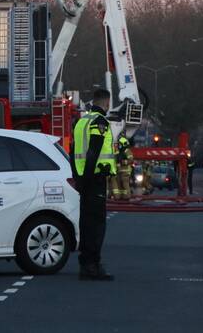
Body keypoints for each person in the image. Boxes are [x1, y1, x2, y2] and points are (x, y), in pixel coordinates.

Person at [71, 89, 116, 281]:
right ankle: (93, 266)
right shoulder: (99, 121)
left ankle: (85, 264)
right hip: (95, 180)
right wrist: (88, 179)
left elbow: (73, 152)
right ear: (107, 103)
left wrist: (78, 179)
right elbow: (93, 152)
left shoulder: (82, 121)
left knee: (86, 223)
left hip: (84, 179)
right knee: (96, 226)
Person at [114, 135, 132, 201]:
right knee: (120, 184)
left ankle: (127, 196)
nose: (119, 146)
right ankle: (122, 196)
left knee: (125, 184)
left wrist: (123, 162)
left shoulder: (127, 151)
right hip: (119, 171)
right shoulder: (120, 151)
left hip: (125, 171)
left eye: (120, 144)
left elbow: (131, 160)